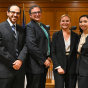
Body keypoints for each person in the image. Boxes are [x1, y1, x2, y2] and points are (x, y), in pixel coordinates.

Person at [0, 5, 27, 88]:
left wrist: (20, 60)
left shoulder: (22, 29)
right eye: (13, 12)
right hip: (5, 70)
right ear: (7, 13)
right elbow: (0, 48)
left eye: (17, 13)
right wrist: (14, 62)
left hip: (20, 71)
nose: (15, 15)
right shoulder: (0, 27)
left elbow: (25, 46)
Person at [26, 5, 51, 88]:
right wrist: (43, 60)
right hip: (35, 64)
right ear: (30, 15)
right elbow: (32, 46)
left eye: (39, 12)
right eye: (34, 13)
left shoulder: (43, 26)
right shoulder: (30, 26)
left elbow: (48, 42)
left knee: (41, 85)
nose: (37, 14)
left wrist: (49, 57)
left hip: (44, 63)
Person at [51, 14, 79, 88]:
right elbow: (52, 52)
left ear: (70, 23)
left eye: (67, 21)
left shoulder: (75, 36)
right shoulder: (55, 35)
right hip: (59, 65)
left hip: (72, 66)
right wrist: (57, 66)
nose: (65, 23)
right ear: (60, 22)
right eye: (63, 21)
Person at [76, 15, 88, 88]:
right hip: (80, 69)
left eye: (85, 22)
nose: (82, 24)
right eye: (80, 22)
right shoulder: (79, 36)